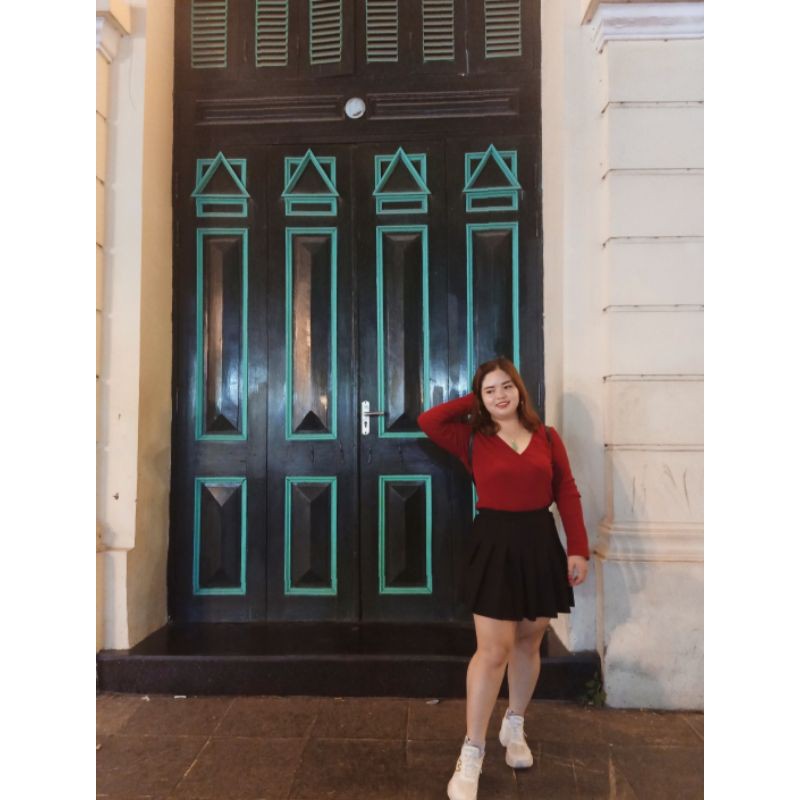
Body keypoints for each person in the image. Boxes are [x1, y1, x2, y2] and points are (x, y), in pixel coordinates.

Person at [416, 356, 590, 800]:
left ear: (519, 389)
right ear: (481, 397)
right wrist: (474, 401)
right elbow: (429, 420)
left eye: (506, 386)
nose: (500, 395)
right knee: (493, 651)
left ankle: (514, 724)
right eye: (490, 390)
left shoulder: (547, 437)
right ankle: (472, 751)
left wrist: (578, 547)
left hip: (539, 544)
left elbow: (566, 490)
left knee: (529, 642)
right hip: (494, 544)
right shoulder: (472, 437)